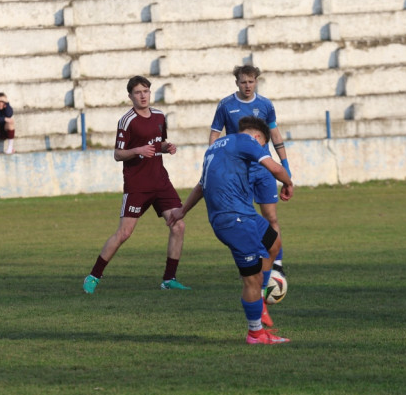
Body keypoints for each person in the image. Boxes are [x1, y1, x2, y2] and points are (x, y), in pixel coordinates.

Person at [168, 117, 294, 344]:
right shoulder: (248, 142)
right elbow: (274, 168)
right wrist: (288, 183)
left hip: (244, 214)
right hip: (233, 220)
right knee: (252, 278)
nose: (261, 149)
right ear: (258, 138)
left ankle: (262, 301)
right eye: (263, 145)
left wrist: (182, 210)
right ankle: (255, 333)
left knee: (273, 243)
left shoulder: (215, 148)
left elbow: (201, 185)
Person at [83, 75, 190, 294]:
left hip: (160, 182)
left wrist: (166, 147)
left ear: (150, 92)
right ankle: (94, 275)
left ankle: (169, 279)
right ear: (131, 96)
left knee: (178, 225)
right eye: (138, 92)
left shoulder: (160, 116)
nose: (143, 95)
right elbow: (117, 154)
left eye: (146, 91)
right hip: (137, 185)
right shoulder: (127, 120)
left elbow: (157, 144)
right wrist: (137, 150)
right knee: (124, 233)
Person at [209, 65, 291, 273]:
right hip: (239, 172)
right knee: (245, 217)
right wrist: (214, 158)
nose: (248, 85)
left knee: (270, 217)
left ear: (256, 81)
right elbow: (215, 134)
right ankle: (254, 258)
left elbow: (275, 135)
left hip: (263, 169)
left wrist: (285, 166)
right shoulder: (226, 105)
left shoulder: (265, 105)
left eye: (251, 81)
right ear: (236, 82)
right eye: (243, 81)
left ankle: (277, 264)